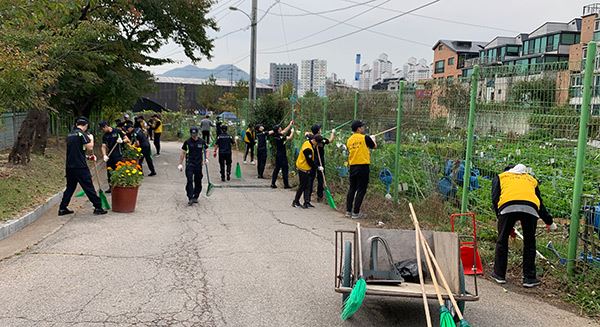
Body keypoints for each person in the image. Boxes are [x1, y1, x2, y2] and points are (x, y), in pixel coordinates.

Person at [491, 164, 555, 288]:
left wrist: (502, 221)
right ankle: (529, 278)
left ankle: (499, 274)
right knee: (530, 242)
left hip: (507, 207)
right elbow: (540, 204)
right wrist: (549, 222)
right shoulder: (531, 179)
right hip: (530, 208)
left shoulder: (501, 177)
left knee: (502, 240)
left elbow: (495, 199)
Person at [58, 117, 108, 216]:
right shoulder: (81, 133)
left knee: (70, 187)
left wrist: (88, 157)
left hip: (70, 166)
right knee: (88, 186)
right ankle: (98, 207)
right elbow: (90, 147)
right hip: (80, 167)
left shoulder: (70, 134)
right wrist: (92, 139)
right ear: (85, 125)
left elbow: (76, 151)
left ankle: (62, 208)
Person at [345, 120, 377, 219]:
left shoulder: (349, 140)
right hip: (363, 166)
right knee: (361, 190)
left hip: (353, 166)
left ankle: (348, 211)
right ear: (358, 128)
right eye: (362, 127)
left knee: (352, 188)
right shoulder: (365, 138)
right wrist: (373, 139)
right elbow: (374, 146)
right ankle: (356, 212)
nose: (363, 128)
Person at [178, 127, 208, 206]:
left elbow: (206, 150)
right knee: (190, 180)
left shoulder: (202, 142)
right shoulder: (187, 142)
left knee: (198, 181)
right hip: (190, 164)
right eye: (192, 134)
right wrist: (180, 163)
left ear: (197, 133)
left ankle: (196, 196)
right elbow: (183, 152)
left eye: (195, 134)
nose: (193, 135)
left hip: (198, 165)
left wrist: (206, 158)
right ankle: (190, 197)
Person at [306, 124, 336, 203]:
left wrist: (308, 134)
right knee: (320, 178)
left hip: (312, 160)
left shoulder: (311, 137)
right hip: (319, 161)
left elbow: (307, 134)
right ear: (319, 130)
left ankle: (308, 196)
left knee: (311, 178)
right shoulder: (322, 139)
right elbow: (331, 140)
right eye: (320, 129)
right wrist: (333, 133)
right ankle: (319, 196)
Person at [293, 135, 323, 209]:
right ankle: (295, 202)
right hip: (303, 168)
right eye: (318, 143)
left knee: (308, 186)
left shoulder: (308, 142)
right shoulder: (308, 149)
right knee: (302, 186)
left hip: (306, 169)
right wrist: (318, 167)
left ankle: (307, 202)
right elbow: (309, 162)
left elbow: (310, 136)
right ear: (315, 141)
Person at [100, 121, 129, 193]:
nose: (102, 130)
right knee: (109, 172)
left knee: (119, 171)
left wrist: (122, 141)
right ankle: (111, 187)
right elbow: (103, 146)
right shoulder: (105, 136)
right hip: (110, 156)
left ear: (106, 126)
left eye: (103, 128)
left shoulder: (118, 131)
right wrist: (104, 155)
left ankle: (121, 186)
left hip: (118, 155)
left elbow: (127, 139)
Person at [271, 120, 294, 189]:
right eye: (279, 128)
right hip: (282, 155)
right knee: (285, 169)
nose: (281, 128)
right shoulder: (280, 137)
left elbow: (284, 131)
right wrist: (292, 132)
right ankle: (286, 184)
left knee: (277, 169)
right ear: (278, 130)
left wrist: (290, 125)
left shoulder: (276, 135)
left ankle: (273, 183)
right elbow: (289, 138)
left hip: (278, 155)